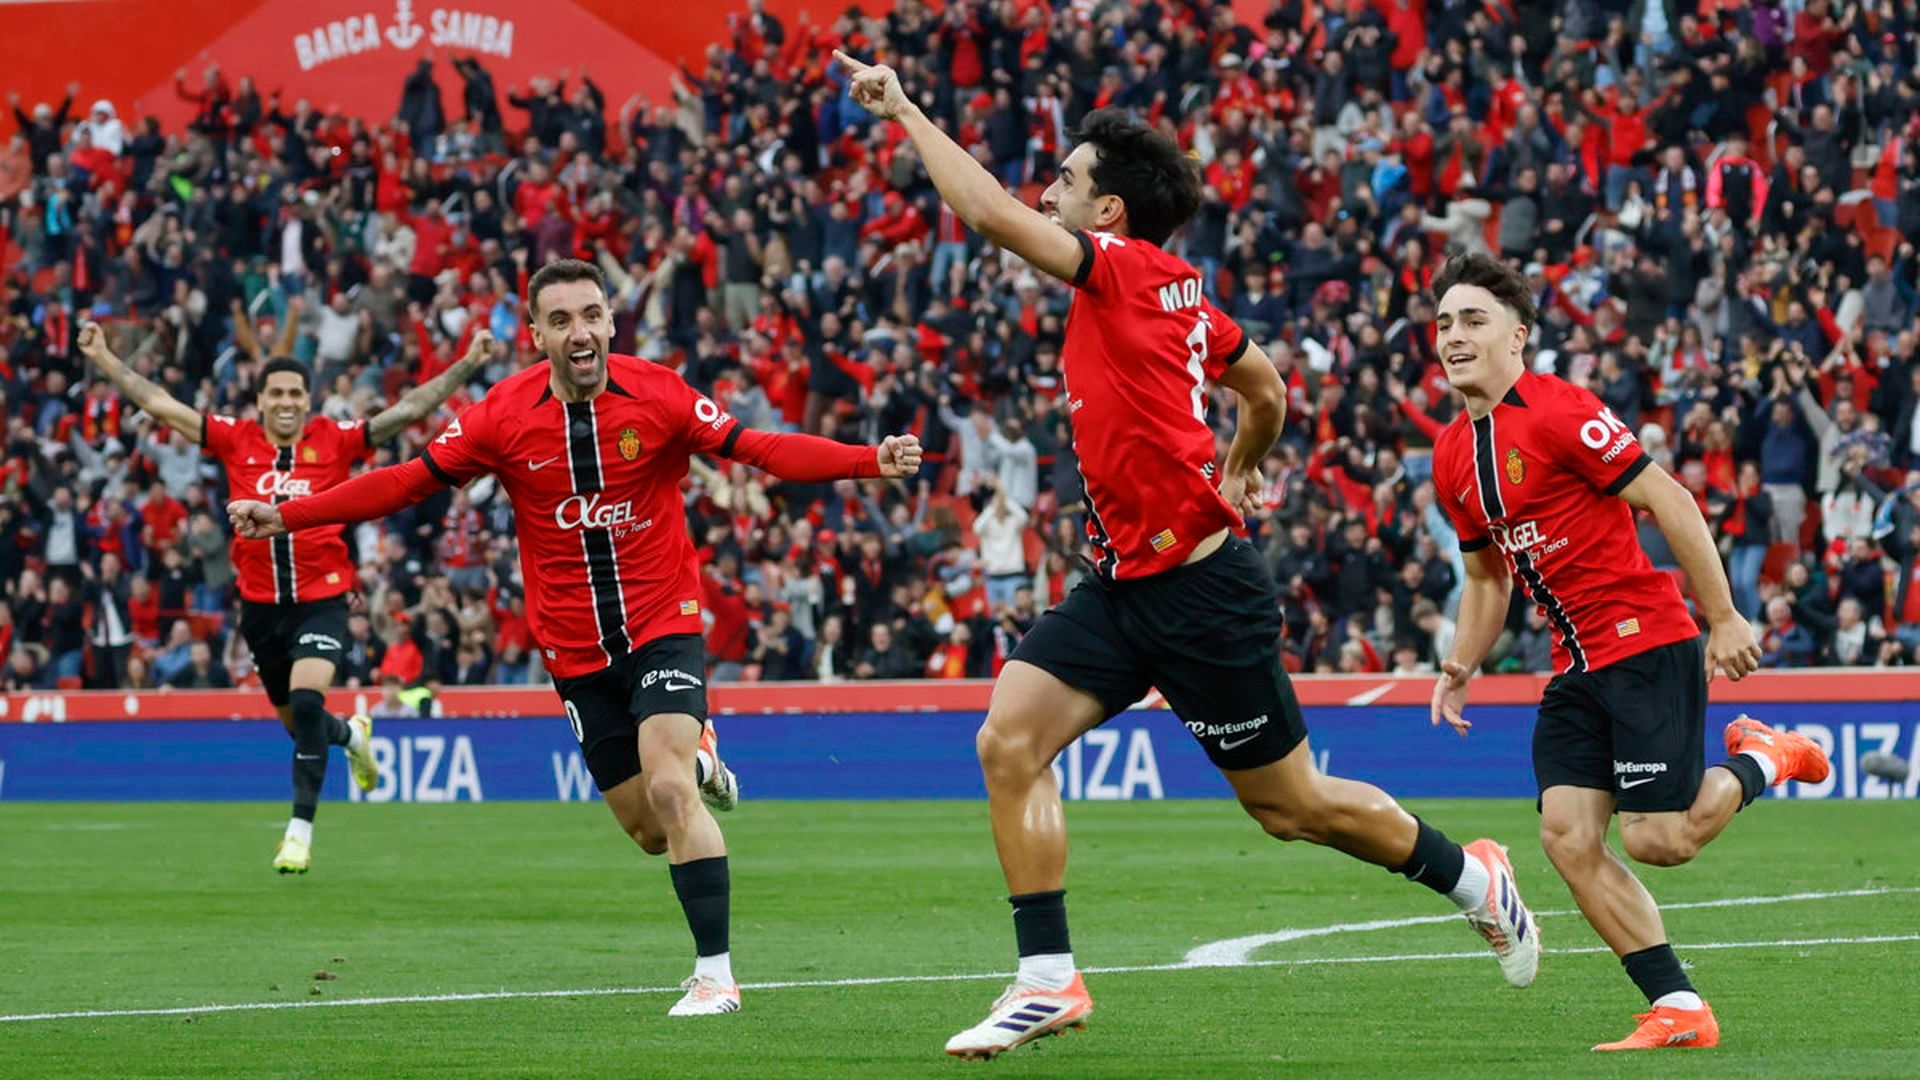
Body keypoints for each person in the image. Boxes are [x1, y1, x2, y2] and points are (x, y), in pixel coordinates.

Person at [835, 53, 1537, 1061]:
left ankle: (1474, 878)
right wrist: (1240, 464)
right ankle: (1047, 980)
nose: (1048, 195)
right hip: (1121, 585)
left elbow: (987, 214)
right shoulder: (1178, 299)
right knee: (1008, 743)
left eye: (1065, 182)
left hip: (1203, 595)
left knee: (1291, 809)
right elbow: (1267, 390)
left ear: (1109, 212)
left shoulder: (1122, 269)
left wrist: (905, 108)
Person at [228, 257, 923, 1017]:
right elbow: (404, 481)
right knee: (649, 830)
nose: (579, 332)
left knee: (669, 786)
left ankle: (716, 976)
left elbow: (758, 447)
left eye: (591, 315)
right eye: (560, 320)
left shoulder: (660, 393)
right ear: (536, 335)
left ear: (611, 322)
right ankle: (702, 758)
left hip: (662, 621)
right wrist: (288, 515)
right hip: (573, 650)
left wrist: (868, 461)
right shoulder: (501, 415)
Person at [1425, 253, 1832, 1052]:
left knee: (1658, 840)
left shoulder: (1560, 410)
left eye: (1474, 319)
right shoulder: (1449, 455)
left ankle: (1766, 756)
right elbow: (1486, 576)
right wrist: (1462, 662)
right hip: (1575, 664)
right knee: (1567, 836)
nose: (1453, 336)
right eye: (1443, 323)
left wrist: (1724, 617)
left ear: (1519, 336)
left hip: (1644, 641)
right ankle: (1678, 1006)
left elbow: (1668, 497)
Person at [77, 319, 489, 874]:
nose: (287, 402)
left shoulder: (336, 439)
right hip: (260, 609)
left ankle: (298, 833)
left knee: (307, 703)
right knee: (301, 725)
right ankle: (352, 735)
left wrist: (468, 363)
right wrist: (103, 357)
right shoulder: (235, 438)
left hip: (324, 599)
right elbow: (160, 404)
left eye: (296, 392)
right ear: (260, 400)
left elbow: (409, 409)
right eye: (276, 393)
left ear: (309, 399)